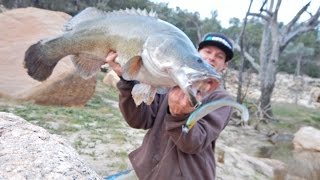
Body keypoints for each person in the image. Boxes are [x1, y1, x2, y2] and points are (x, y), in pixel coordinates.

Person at [105, 33, 234, 180]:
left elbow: (194, 143)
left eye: (219, 56)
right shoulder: (167, 79)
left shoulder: (221, 99)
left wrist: (180, 117)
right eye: (208, 51)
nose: (212, 58)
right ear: (195, 52)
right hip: (147, 169)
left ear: (225, 66)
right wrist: (127, 79)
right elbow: (139, 120)